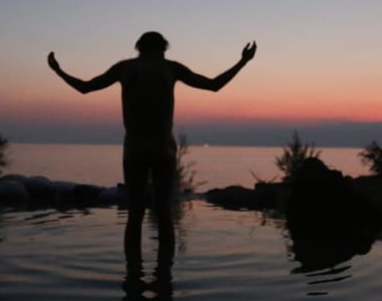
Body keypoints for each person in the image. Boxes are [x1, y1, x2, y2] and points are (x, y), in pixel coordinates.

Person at [48, 32, 257, 264]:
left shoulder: (125, 68)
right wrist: (243, 62)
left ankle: (133, 276)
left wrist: (58, 71)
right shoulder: (171, 68)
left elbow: (85, 87)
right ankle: (164, 277)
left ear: (139, 47)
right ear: (164, 48)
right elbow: (213, 85)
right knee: (164, 212)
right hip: (162, 149)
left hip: (135, 149)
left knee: (135, 213)